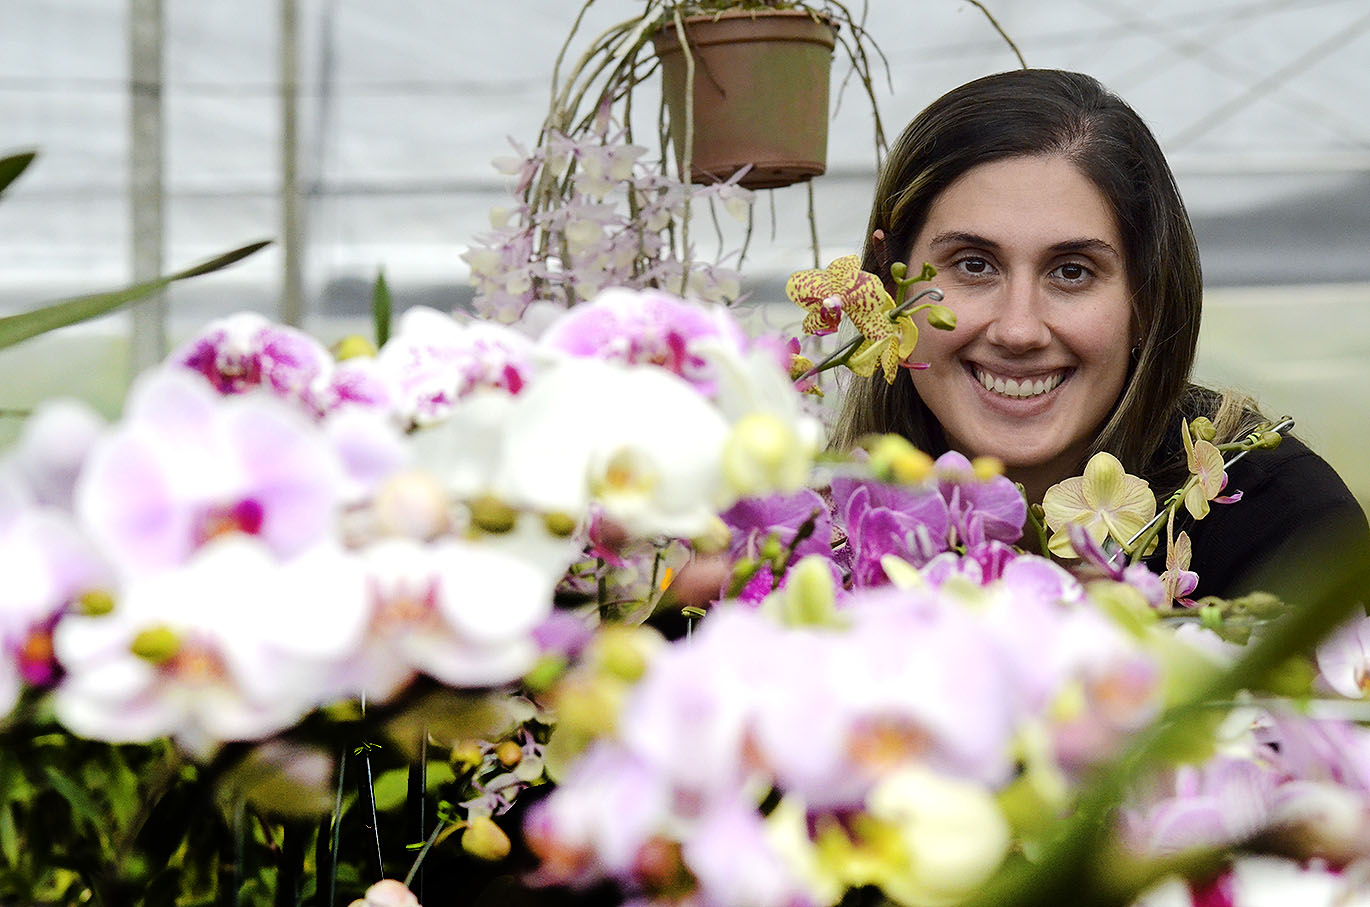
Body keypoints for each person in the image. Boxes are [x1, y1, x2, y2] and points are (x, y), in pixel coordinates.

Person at [831, 69, 1369, 603]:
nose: (1018, 329)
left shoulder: (1288, 528)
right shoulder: (817, 527)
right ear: (887, 284)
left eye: (1072, 271)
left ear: (1147, 298)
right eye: (974, 265)